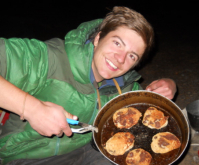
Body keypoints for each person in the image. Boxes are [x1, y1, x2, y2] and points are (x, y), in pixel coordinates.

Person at [0, 6, 176, 165]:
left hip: (90, 151)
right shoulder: (47, 59)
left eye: (132, 56)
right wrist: (31, 108)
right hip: (29, 155)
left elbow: (150, 107)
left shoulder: (124, 86)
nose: (120, 58)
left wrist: (170, 85)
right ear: (98, 38)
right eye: (117, 43)